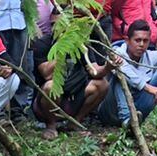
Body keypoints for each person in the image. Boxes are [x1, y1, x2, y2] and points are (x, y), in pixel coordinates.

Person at [30, 6, 112, 138]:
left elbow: (94, 71)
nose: (56, 29)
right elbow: (46, 73)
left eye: (61, 25)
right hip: (46, 104)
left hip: (73, 97)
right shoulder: (43, 43)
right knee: (51, 86)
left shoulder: (81, 44)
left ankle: (75, 123)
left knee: (102, 85)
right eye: (54, 25)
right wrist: (63, 50)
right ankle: (51, 126)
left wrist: (108, 67)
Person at [100, 20, 157, 134]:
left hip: (138, 110)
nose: (141, 45)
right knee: (120, 73)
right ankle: (127, 120)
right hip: (111, 110)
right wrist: (151, 89)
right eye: (137, 40)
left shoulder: (152, 56)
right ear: (127, 40)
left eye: (145, 41)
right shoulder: (117, 53)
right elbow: (125, 70)